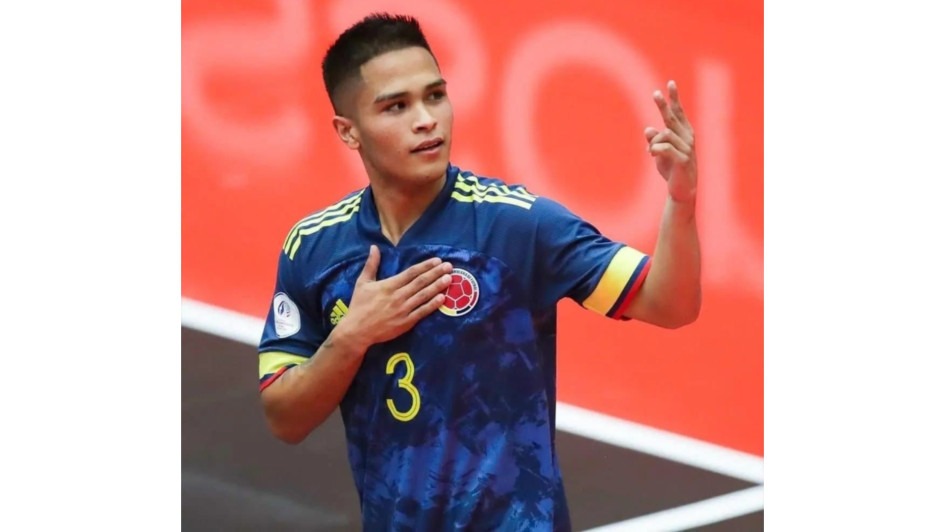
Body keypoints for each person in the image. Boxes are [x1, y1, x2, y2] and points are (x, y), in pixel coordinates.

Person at [256, 12, 701, 531]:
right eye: (396, 106)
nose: (427, 120)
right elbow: (284, 418)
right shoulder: (314, 248)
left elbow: (671, 305)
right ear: (348, 132)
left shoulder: (519, 226)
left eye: (436, 96)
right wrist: (352, 336)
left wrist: (681, 201)